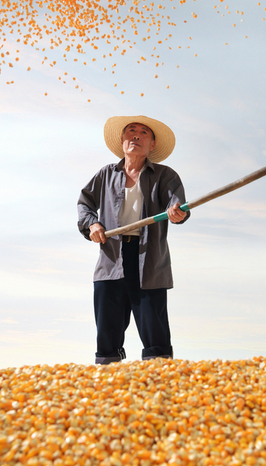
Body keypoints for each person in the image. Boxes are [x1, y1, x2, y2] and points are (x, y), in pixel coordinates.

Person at [77, 115, 190, 365]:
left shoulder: (164, 175)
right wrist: (92, 224)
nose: (136, 135)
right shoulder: (106, 175)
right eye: (131, 130)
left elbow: (177, 204)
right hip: (110, 260)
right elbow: (85, 204)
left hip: (149, 261)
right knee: (107, 332)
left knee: (155, 333)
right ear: (122, 139)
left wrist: (177, 211)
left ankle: (161, 389)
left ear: (151, 145)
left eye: (143, 133)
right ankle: (108, 388)